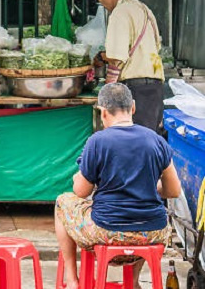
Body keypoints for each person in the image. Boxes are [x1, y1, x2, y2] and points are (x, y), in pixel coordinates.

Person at [55, 83, 181, 289]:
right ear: (133, 107)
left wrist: (80, 175)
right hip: (154, 233)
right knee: (144, 218)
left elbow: (81, 192)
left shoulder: (97, 141)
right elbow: (173, 190)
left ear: (103, 112)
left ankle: (71, 278)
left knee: (62, 202)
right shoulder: (156, 140)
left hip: (108, 231)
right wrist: (148, 185)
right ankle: (133, 282)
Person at [92, 0, 165, 132]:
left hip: (137, 90)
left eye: (101, 1)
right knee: (149, 139)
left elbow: (116, 56)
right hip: (156, 87)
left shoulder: (120, 12)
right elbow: (156, 44)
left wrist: (101, 57)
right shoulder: (143, 9)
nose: (104, 6)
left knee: (135, 142)